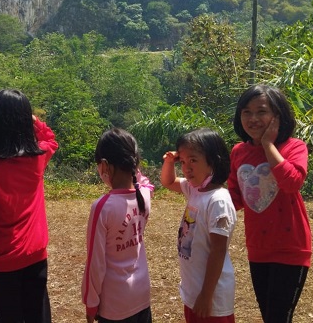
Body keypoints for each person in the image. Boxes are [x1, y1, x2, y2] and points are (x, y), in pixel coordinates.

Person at [0, 88, 58, 323]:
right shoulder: (37, 158)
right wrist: (34, 120)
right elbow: (50, 139)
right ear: (23, 122)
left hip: (3, 266)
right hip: (37, 258)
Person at [228, 84, 312, 323]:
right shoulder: (238, 152)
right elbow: (235, 197)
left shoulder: (294, 147)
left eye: (261, 111)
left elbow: (292, 183)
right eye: (246, 112)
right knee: (269, 316)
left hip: (291, 248)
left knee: (278, 318)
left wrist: (268, 145)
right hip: (258, 247)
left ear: (278, 116)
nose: (253, 118)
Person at [160, 128, 237, 323]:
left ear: (213, 161)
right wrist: (170, 161)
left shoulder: (218, 200)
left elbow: (218, 251)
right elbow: (168, 181)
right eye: (183, 162)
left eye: (193, 160)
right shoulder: (195, 189)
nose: (186, 168)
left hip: (211, 297)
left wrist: (206, 295)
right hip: (194, 290)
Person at [82, 128, 154, 323]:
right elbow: (146, 183)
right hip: (141, 295)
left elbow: (95, 264)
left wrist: (91, 303)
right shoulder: (144, 196)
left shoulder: (102, 207)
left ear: (105, 166)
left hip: (115, 305)